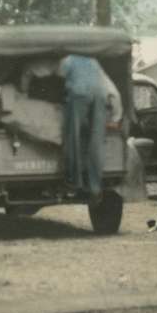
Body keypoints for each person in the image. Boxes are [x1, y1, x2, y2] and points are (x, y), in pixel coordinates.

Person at [58, 55, 120, 206]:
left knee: (73, 137)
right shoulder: (94, 61)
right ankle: (95, 188)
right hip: (100, 94)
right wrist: (115, 117)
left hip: (79, 92)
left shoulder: (67, 60)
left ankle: (75, 183)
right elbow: (109, 88)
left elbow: (60, 78)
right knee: (96, 140)